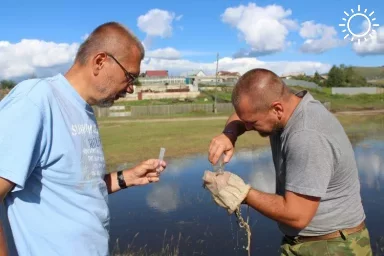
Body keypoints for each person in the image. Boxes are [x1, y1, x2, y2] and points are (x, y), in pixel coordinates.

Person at [0, 22, 166, 256]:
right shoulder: (36, 99)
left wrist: (127, 177)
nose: (131, 88)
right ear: (100, 62)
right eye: (130, 76)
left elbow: (77, 188)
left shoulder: (83, 110)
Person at [204, 68, 372, 255]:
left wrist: (240, 192)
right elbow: (241, 116)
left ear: (277, 109)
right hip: (308, 241)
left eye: (252, 122)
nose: (248, 126)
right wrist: (230, 134)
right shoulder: (288, 107)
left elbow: (296, 215)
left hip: (332, 247)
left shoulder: (307, 136)